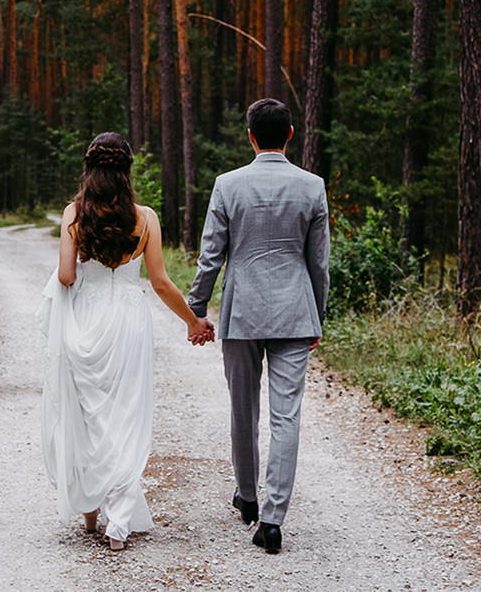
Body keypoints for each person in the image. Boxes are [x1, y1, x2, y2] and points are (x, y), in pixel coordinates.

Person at [39, 132, 213, 551]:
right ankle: (118, 524)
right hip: (130, 320)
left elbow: (65, 276)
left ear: (90, 169)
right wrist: (193, 322)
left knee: (87, 414)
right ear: (127, 171)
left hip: (87, 318)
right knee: (125, 416)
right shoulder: (146, 217)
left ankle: (89, 515)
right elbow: (161, 282)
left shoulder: (73, 214)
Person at [187, 98, 329, 554]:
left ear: (250, 136)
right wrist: (317, 315)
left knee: (243, 408)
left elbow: (212, 254)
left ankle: (247, 497)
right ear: (290, 134)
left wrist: (197, 306)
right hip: (294, 312)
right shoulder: (312, 187)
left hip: (243, 311)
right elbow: (319, 263)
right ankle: (272, 520)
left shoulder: (227, 185)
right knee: (286, 415)